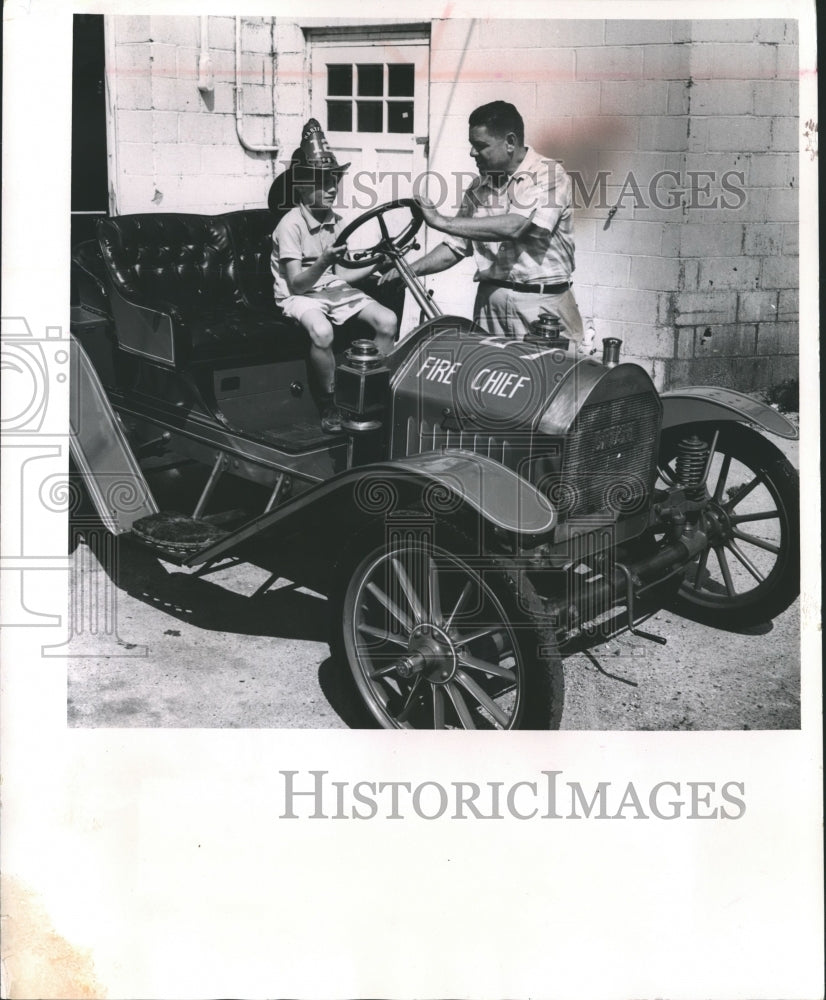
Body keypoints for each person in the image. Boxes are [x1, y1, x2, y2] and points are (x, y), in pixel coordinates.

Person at [384, 101, 584, 343]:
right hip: (490, 307)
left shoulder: (549, 175)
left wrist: (439, 220)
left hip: (542, 309)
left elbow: (516, 226)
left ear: (510, 142)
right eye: (471, 146)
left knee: (551, 379)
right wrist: (407, 271)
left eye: (480, 146)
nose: (472, 153)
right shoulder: (477, 188)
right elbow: (455, 248)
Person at [272, 119, 397, 433]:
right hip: (297, 294)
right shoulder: (291, 225)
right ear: (301, 185)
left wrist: (379, 259)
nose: (331, 188)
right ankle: (331, 400)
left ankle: (368, 392)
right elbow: (297, 283)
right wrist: (323, 261)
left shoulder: (336, 221)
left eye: (334, 180)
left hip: (329, 287)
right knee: (322, 331)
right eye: (321, 182)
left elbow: (343, 273)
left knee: (388, 320)